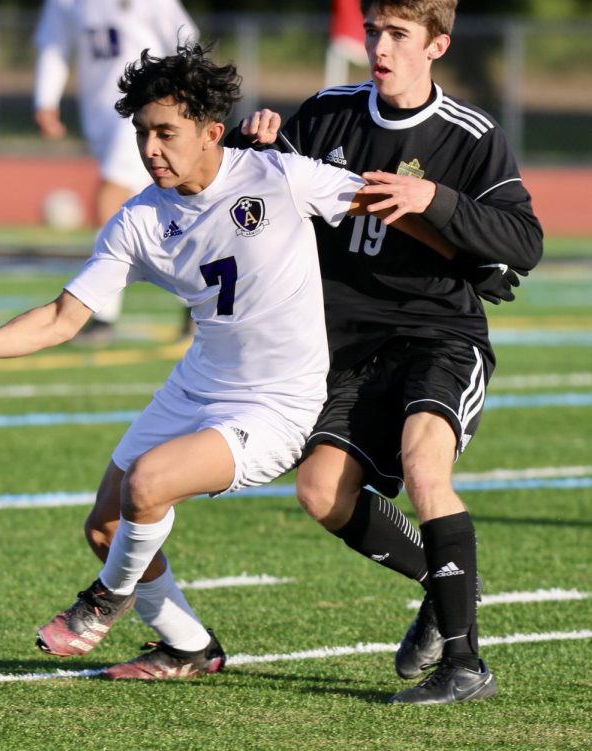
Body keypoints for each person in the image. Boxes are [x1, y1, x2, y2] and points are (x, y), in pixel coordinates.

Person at [0, 42, 454, 681]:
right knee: (108, 527)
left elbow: (389, 207)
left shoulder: (279, 176)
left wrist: (465, 251)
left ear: (211, 133)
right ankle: (190, 647)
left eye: (166, 132)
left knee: (148, 483)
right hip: (197, 384)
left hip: (276, 403)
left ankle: (105, 600)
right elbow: (63, 317)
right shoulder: (139, 220)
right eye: (142, 132)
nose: (150, 148)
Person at [226, 0, 543, 704]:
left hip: (439, 336)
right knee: (318, 491)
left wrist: (433, 198)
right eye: (375, 31)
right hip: (345, 345)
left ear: (437, 45)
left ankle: (466, 666)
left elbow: (525, 244)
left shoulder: (470, 135)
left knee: (425, 466)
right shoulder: (328, 113)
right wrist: (257, 150)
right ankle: (445, 578)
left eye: (399, 34)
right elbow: (267, 204)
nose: (381, 46)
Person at [33, 0, 198, 344]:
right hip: (100, 119)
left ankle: (101, 315)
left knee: (110, 197)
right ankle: (197, 303)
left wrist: (186, 99)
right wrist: (45, 100)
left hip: (142, 115)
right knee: (164, 211)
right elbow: (55, 46)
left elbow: (185, 39)